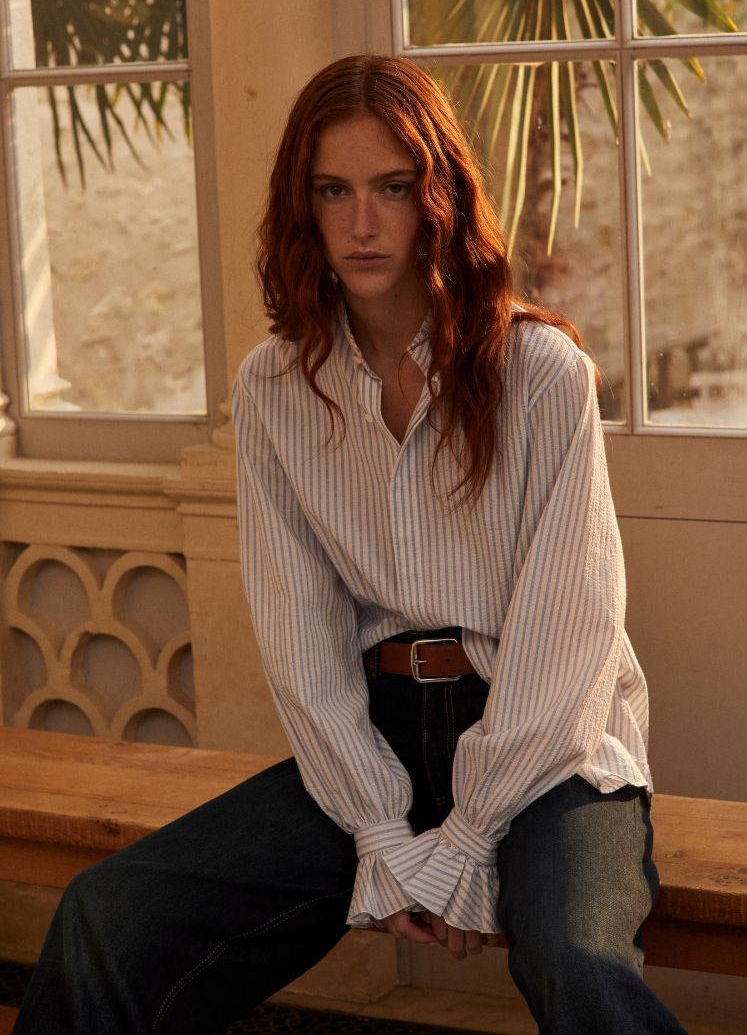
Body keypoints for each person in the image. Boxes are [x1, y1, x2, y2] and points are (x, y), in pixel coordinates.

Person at [13, 54, 690, 1035]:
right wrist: (382, 828)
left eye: (391, 189)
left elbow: (570, 632)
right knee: (105, 917)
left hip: (551, 745)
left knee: (576, 962)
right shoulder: (275, 388)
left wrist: (464, 839)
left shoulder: (540, 373)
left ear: (438, 199)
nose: (362, 223)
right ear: (304, 206)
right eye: (333, 191)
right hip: (368, 741)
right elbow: (301, 636)